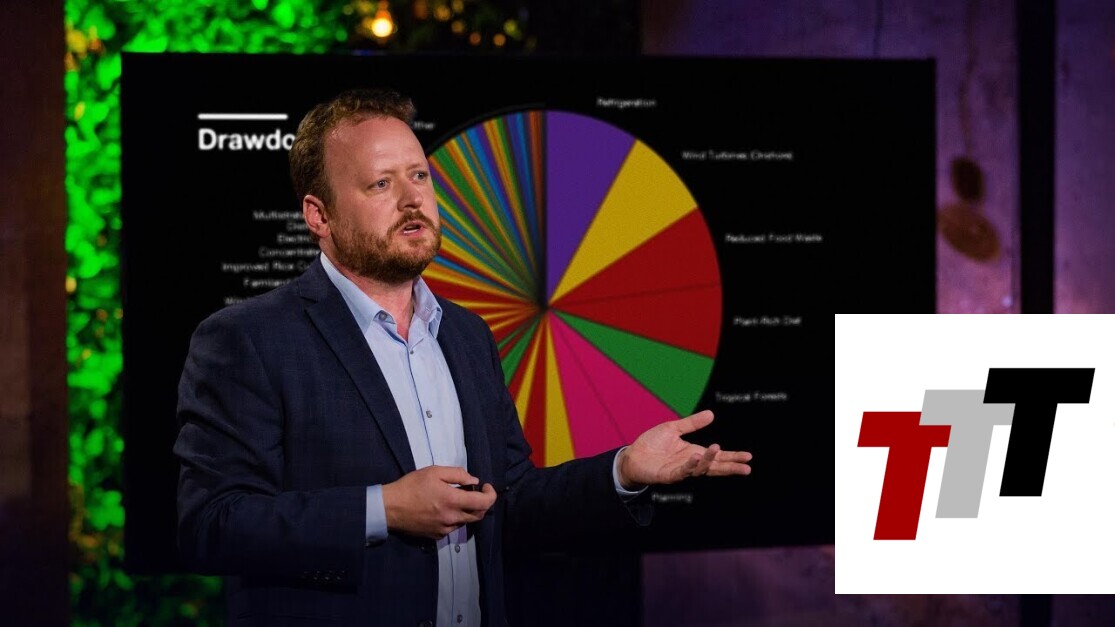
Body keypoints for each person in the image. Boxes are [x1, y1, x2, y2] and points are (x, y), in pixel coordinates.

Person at [173, 87, 752, 627]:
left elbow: (511, 501)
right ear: (318, 215)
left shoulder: (467, 334)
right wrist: (384, 510)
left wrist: (622, 470)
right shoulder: (247, 339)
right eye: (380, 184)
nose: (412, 200)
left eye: (419, 175)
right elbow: (211, 525)